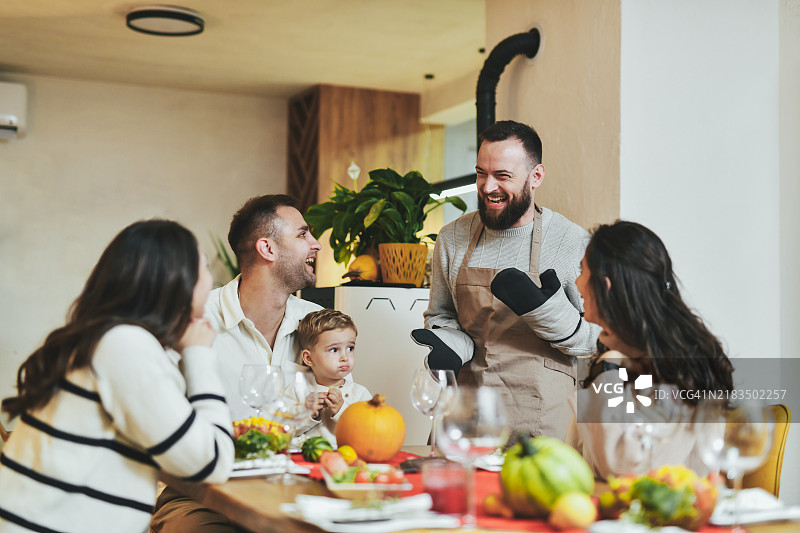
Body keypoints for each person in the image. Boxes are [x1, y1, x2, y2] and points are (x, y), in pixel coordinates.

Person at [0, 220, 233, 532]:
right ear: (179, 281)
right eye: (205, 268)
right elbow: (211, 463)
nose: (212, 283)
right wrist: (199, 355)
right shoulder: (125, 346)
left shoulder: (103, 340)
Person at [415, 120, 600, 440]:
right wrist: (449, 345)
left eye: (502, 176)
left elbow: (598, 338)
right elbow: (441, 314)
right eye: (481, 173)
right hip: (467, 413)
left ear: (536, 176)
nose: (487, 187)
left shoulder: (569, 242)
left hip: (542, 421)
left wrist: (552, 317)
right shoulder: (453, 237)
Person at [151, 194, 323, 533]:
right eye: (303, 234)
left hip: (299, 492)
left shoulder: (320, 325)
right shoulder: (193, 322)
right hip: (199, 496)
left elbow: (336, 417)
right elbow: (159, 428)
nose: (316, 244)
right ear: (267, 249)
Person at [566, 220, 734, 478]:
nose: (577, 285)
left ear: (606, 287)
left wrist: (607, 367)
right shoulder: (628, 354)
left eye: (582, 272)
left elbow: (622, 467)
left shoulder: (669, 369)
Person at [292, 309, 372, 447]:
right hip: (304, 461)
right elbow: (282, 432)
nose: (345, 357)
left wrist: (341, 410)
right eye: (334, 350)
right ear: (309, 358)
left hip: (346, 459)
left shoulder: (359, 394)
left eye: (350, 348)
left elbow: (370, 432)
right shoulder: (297, 390)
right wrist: (308, 413)